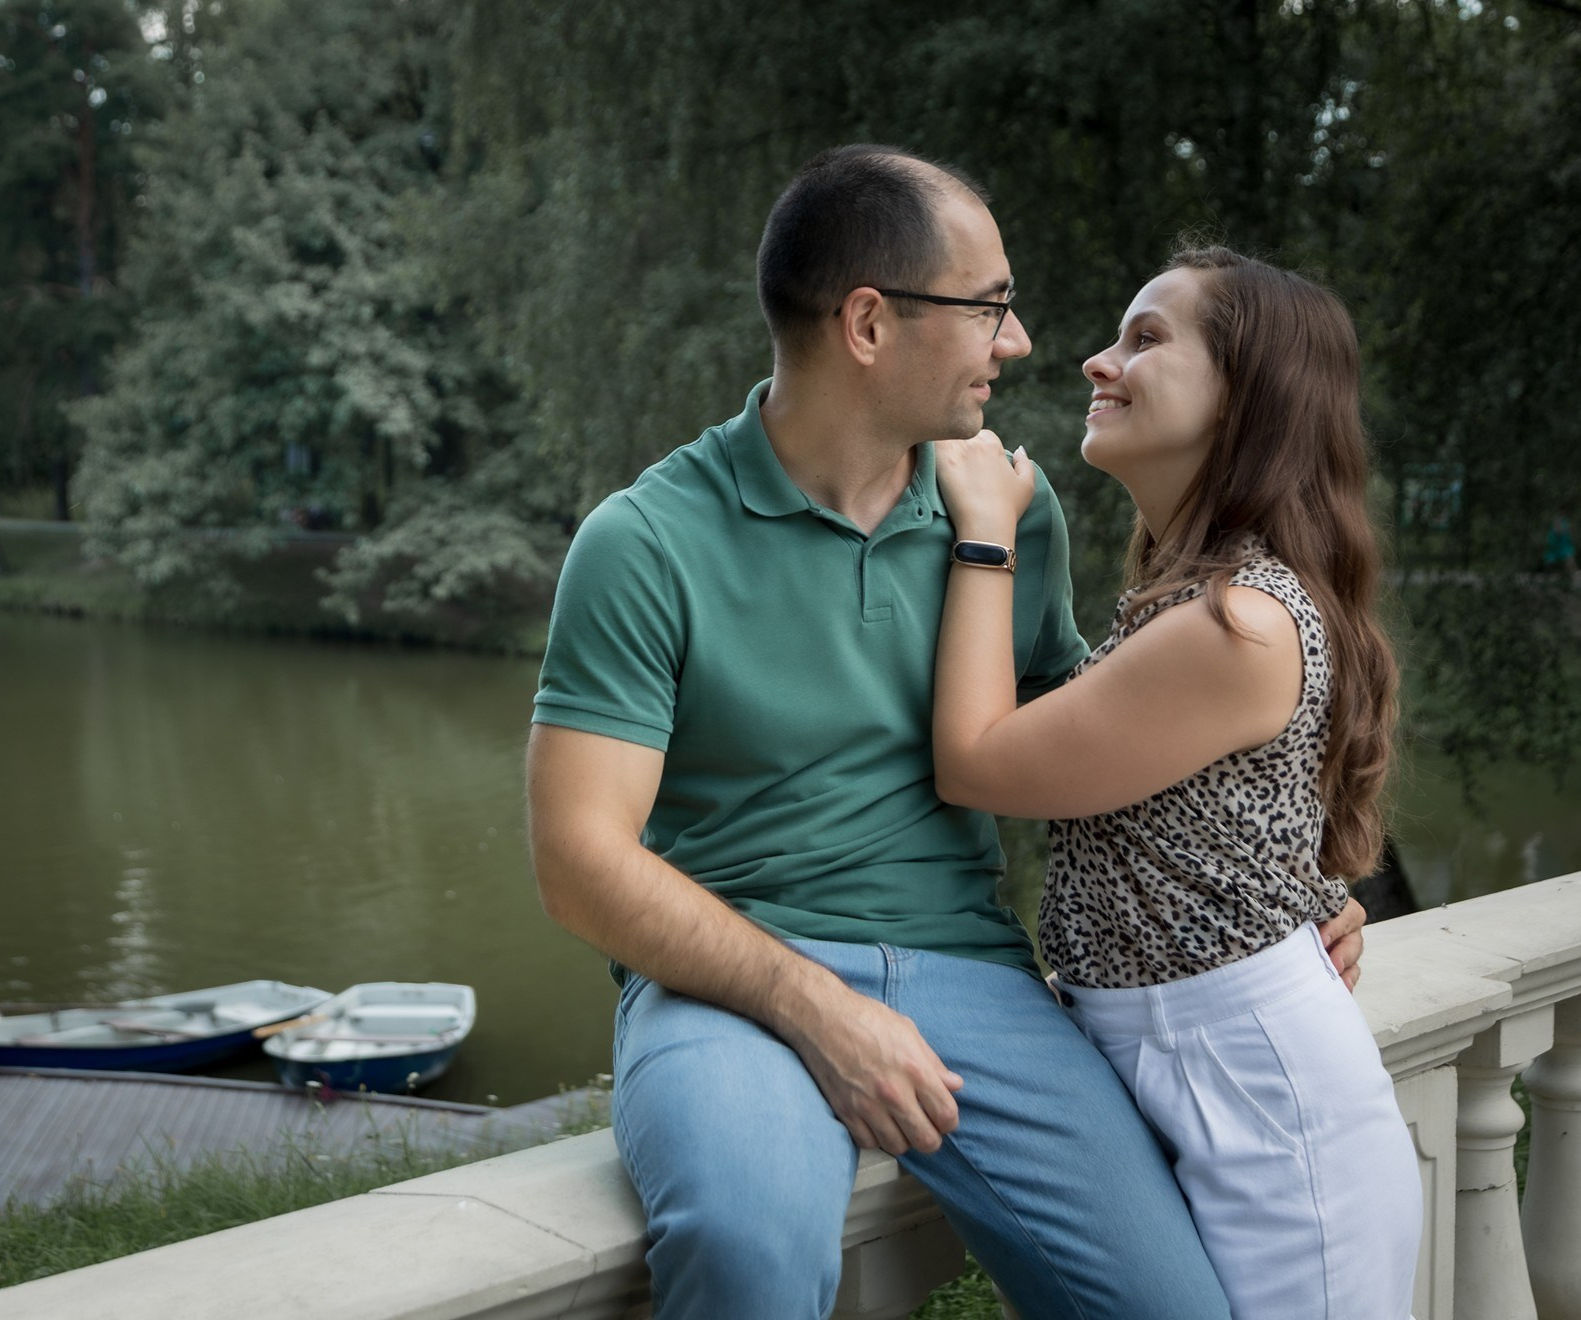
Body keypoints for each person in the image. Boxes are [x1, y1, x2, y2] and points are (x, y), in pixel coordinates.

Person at [526, 146, 1364, 1319]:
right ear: (869, 324)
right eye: (988, 307)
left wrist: (1284, 895)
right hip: (730, 984)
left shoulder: (1013, 516)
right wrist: (816, 1008)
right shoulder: (643, 541)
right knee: (743, 1241)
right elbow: (579, 862)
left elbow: (1104, 762)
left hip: (976, 976)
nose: (1017, 342)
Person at [930, 246, 1422, 1319]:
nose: (1097, 362)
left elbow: (975, 763)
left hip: (1264, 1119)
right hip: (1186, 1066)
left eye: (1147, 338)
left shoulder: (1237, 621)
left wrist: (985, 534)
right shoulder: (1199, 600)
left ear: (1245, 395)